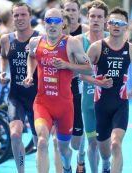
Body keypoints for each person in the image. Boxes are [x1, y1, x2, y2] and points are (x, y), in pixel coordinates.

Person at [23, 8, 92, 173]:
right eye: (49, 21)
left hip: (64, 106)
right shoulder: (35, 42)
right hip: (42, 103)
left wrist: (67, 65)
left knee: (64, 149)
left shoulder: (71, 42)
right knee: (41, 141)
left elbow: (89, 68)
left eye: (56, 21)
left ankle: (67, 166)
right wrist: (29, 74)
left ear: (63, 24)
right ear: (44, 23)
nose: (52, 25)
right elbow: (32, 56)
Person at [87, 7, 132, 173]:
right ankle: (105, 165)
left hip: (121, 104)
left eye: (120, 23)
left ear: (126, 26)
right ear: (107, 25)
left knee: (116, 144)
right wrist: (98, 83)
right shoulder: (96, 48)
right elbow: (80, 74)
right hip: (101, 105)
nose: (116, 25)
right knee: (104, 153)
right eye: (112, 22)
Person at [0, 3, 39, 173]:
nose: (20, 18)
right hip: (16, 96)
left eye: (23, 15)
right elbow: (3, 56)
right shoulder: (6, 39)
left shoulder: (39, 38)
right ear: (12, 18)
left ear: (30, 16)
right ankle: (21, 171)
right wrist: (1, 73)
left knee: (40, 141)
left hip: (38, 96)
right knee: (15, 135)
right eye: (16, 15)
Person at [74, 1, 109, 172]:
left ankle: (107, 166)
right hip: (88, 98)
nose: (95, 20)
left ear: (105, 20)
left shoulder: (114, 39)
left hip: (110, 99)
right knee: (93, 143)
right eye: (92, 16)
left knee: (110, 143)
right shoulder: (79, 41)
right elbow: (76, 72)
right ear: (87, 18)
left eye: (99, 17)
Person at [62, 0, 89, 172]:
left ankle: (81, 156)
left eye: (74, 10)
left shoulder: (85, 32)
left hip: (82, 83)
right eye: (68, 10)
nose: (71, 13)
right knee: (61, 137)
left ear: (79, 12)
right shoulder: (55, 31)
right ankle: (65, 167)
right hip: (60, 87)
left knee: (79, 133)